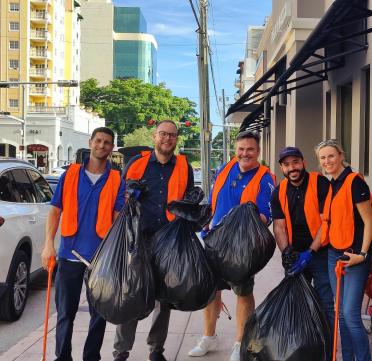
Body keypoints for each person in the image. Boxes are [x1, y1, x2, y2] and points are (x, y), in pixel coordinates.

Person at [188, 131, 275, 361]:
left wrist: (244, 222)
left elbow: (267, 215)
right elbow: (215, 201)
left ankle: (240, 342)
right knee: (211, 290)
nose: (245, 153)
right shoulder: (226, 169)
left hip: (241, 247)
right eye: (241, 149)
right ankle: (209, 337)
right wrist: (206, 224)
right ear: (236, 149)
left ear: (258, 152)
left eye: (250, 150)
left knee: (242, 292)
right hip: (214, 241)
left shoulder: (265, 177)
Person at [41, 127, 126, 361]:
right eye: (98, 140)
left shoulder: (117, 179)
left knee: (99, 315)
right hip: (69, 254)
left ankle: (91, 357)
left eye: (107, 142)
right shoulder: (71, 174)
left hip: (100, 259)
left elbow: (119, 218)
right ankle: (62, 356)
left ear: (112, 148)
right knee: (65, 313)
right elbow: (55, 211)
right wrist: (49, 244)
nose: (102, 145)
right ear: (90, 142)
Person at [113, 120, 194, 361]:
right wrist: (130, 194)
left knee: (164, 298)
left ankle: (156, 349)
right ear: (154, 136)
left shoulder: (183, 166)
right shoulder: (136, 163)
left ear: (176, 139)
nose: (167, 139)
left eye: (172, 135)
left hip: (168, 242)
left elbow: (187, 200)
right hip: (139, 239)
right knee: (132, 293)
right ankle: (121, 351)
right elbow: (121, 197)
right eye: (163, 134)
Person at [315, 139, 372, 361]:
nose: (327, 161)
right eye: (323, 158)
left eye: (331, 156)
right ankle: (348, 358)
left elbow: (369, 221)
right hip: (336, 254)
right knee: (340, 314)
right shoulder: (332, 183)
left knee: (351, 314)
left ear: (341, 155)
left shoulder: (355, 182)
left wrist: (362, 254)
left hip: (355, 255)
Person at [270, 146, 334, 329]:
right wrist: (287, 253)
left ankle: (327, 351)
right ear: (282, 168)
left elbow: (326, 223)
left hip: (320, 253)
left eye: (295, 162)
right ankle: (304, 347)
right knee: (296, 304)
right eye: (286, 165)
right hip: (295, 256)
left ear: (304, 163)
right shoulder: (279, 191)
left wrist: (311, 252)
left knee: (326, 303)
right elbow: (279, 226)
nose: (292, 168)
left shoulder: (320, 183)